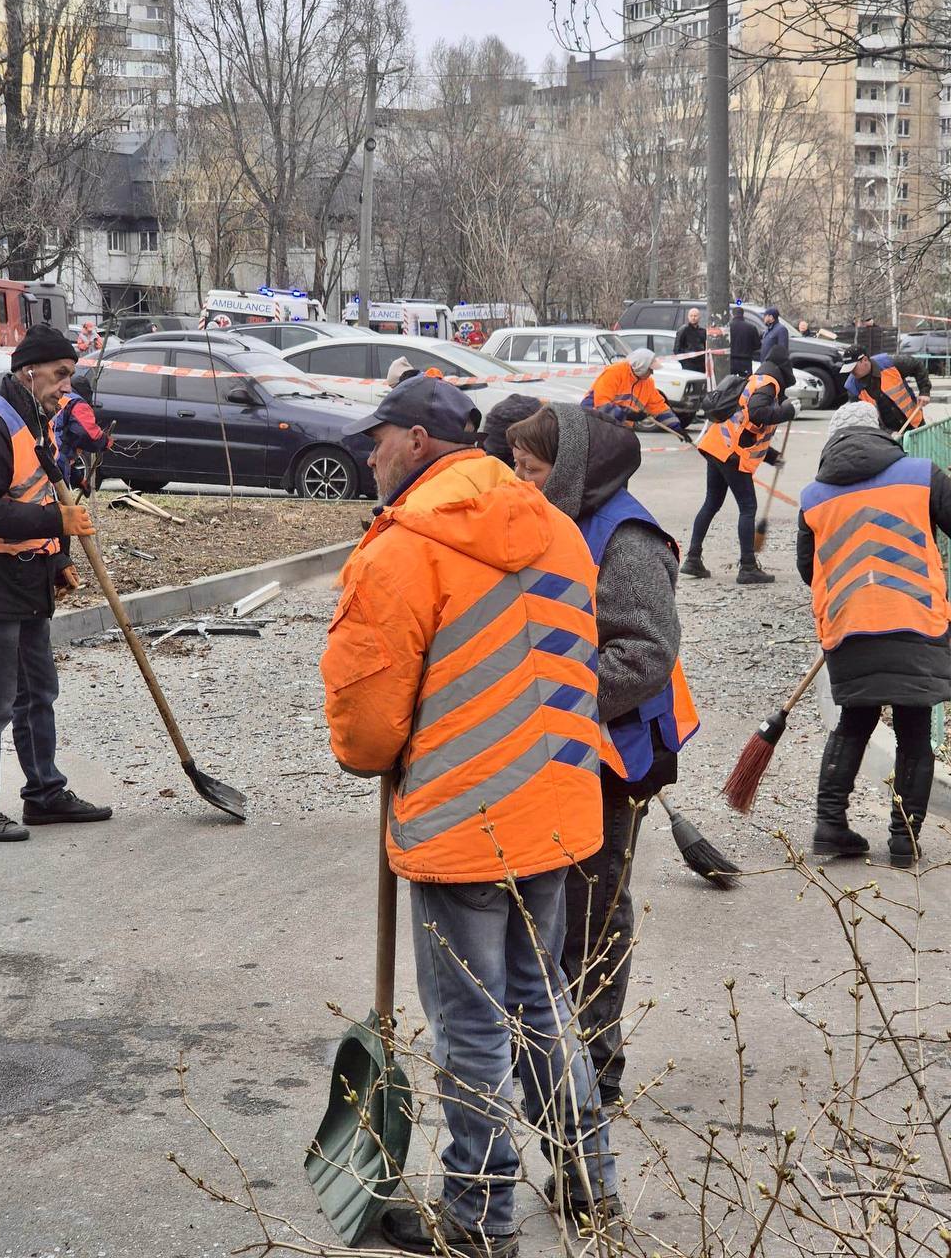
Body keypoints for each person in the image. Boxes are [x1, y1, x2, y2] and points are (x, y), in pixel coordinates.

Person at [321, 374, 622, 1256]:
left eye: (377, 439)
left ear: (419, 441)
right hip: (557, 810)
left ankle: (479, 1219)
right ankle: (587, 1179)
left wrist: (390, 744)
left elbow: (367, 730)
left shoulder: (402, 546)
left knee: (473, 1029)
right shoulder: (557, 528)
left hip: (463, 825)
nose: (367, 455)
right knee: (543, 1003)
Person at [506, 401, 698, 1105]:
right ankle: (555, 1050)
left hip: (615, 757)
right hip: (566, 747)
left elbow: (645, 653)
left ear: (573, 471)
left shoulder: (627, 537)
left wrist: (552, 700)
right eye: (515, 469)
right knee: (553, 908)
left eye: (531, 470)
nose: (519, 482)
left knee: (594, 911)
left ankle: (596, 1064)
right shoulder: (557, 523)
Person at [797, 401, 951, 866]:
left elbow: (808, 569)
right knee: (913, 729)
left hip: (849, 621)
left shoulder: (813, 497)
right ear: (880, 434)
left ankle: (830, 826)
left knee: (855, 721)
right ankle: (904, 841)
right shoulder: (922, 474)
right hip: (915, 616)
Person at [0, 325, 112, 844]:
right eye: (61, 375)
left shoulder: (38, 420)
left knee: (38, 692)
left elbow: (40, 492)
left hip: (30, 579)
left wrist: (58, 557)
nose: (68, 386)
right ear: (28, 372)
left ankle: (44, 793)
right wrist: (57, 527)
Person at [681, 343, 799, 584]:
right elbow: (757, 414)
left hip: (716, 446)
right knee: (748, 507)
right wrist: (786, 412)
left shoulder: (755, 381)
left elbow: (747, 428)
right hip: (731, 454)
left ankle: (693, 558)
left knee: (711, 502)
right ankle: (747, 567)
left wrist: (771, 456)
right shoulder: (769, 384)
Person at [582, 347, 682, 433]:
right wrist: (627, 414)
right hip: (593, 420)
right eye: (650, 369)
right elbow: (601, 405)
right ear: (640, 366)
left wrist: (676, 427)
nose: (652, 373)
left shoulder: (648, 383)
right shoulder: (614, 372)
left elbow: (659, 407)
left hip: (620, 425)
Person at [841, 345, 930, 432]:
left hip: (915, 422)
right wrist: (888, 434)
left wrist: (924, 392)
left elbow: (917, 365)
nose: (851, 372)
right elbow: (864, 419)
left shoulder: (889, 363)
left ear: (865, 360)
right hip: (888, 436)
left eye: (853, 368)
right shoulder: (853, 388)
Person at [54, 374, 114, 490]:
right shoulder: (77, 402)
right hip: (56, 455)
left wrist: (78, 479)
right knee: (56, 502)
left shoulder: (56, 396)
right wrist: (105, 442)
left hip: (44, 452)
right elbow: (87, 434)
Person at [729, 306, 761, 376]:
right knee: (746, 383)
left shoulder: (728, 327)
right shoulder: (751, 328)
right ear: (743, 314)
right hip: (746, 361)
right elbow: (757, 345)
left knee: (730, 383)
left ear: (732, 315)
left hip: (731, 361)